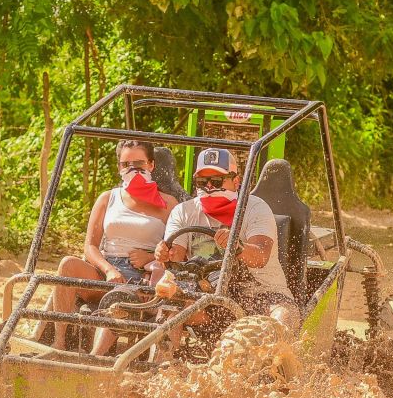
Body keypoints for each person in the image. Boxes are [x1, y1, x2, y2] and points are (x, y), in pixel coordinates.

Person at [153, 148, 300, 344]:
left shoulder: (256, 208)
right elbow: (176, 257)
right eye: (202, 182)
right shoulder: (184, 211)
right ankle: (162, 365)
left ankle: (275, 368)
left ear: (236, 181)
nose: (209, 187)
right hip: (209, 297)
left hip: (261, 294)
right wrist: (164, 254)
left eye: (216, 181)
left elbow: (261, 257)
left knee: (281, 317)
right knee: (172, 305)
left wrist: (236, 246)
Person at [51, 140, 178, 352]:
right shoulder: (108, 198)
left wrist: (150, 257)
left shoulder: (169, 204)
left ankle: (95, 359)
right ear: (119, 167)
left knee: (118, 298)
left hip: (141, 277)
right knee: (67, 265)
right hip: (106, 270)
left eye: (139, 164)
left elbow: (177, 252)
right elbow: (90, 246)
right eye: (126, 165)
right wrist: (109, 269)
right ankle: (59, 342)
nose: (133, 170)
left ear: (151, 165)